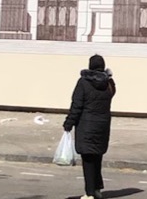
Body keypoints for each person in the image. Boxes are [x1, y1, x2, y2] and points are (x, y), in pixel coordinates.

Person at [63, 54, 116, 199]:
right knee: (97, 158)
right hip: (103, 125)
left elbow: (77, 105)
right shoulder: (109, 83)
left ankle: (90, 193)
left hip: (86, 125)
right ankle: (97, 189)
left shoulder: (83, 82)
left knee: (87, 160)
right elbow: (111, 96)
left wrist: (69, 123)